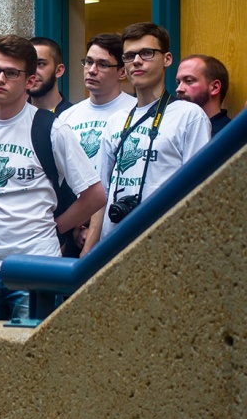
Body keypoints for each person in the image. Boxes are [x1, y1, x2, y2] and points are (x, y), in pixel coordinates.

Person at [0, 34, 104, 373]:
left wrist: (55, 226)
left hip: (35, 268)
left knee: (34, 368)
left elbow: (94, 195)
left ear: (30, 80)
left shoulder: (51, 129)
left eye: (11, 73)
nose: (0, 79)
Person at [85, 23, 211, 248]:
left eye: (146, 53)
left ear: (167, 59)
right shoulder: (116, 120)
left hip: (164, 245)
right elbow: (102, 194)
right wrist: (88, 253)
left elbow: (199, 190)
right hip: (112, 244)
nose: (137, 61)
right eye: (129, 56)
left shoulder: (189, 115)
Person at [57, 34, 136, 256]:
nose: (92, 70)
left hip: (116, 222)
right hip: (71, 222)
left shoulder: (133, 112)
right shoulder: (68, 116)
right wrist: (74, 226)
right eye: (88, 62)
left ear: (122, 72)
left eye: (102, 64)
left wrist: (93, 228)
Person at [176, 54, 232, 135]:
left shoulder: (231, 135)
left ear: (214, 87)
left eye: (188, 81)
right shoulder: (176, 130)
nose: (179, 89)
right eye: (178, 82)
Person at [29, 37, 73, 114]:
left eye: (40, 64)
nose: (33, 71)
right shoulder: (12, 116)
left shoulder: (73, 117)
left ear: (59, 70)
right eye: (28, 64)